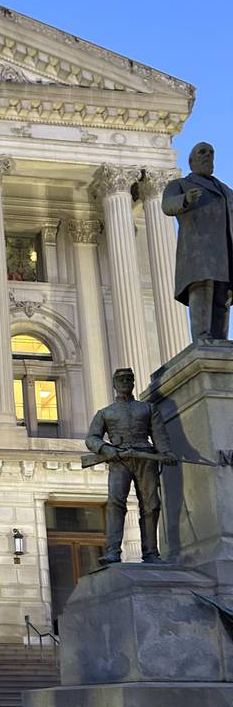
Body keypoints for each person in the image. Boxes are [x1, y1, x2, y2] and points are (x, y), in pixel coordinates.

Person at [85, 367, 176, 565]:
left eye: (129, 378)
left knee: (151, 505)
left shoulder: (148, 409)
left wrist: (166, 454)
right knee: (115, 504)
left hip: (146, 458)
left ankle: (151, 553)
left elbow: (159, 435)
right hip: (119, 460)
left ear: (133, 382)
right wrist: (105, 449)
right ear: (114, 384)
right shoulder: (105, 413)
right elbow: (91, 438)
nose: (125, 381)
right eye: (121, 379)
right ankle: (113, 551)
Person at [162, 142, 233, 342]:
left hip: (225, 252)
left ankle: (220, 339)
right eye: (202, 152)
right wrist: (184, 199)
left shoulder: (225, 189)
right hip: (198, 252)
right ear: (191, 161)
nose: (208, 156)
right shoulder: (181, 184)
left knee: (223, 297)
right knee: (202, 291)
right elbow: (167, 205)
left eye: (211, 152)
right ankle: (202, 337)